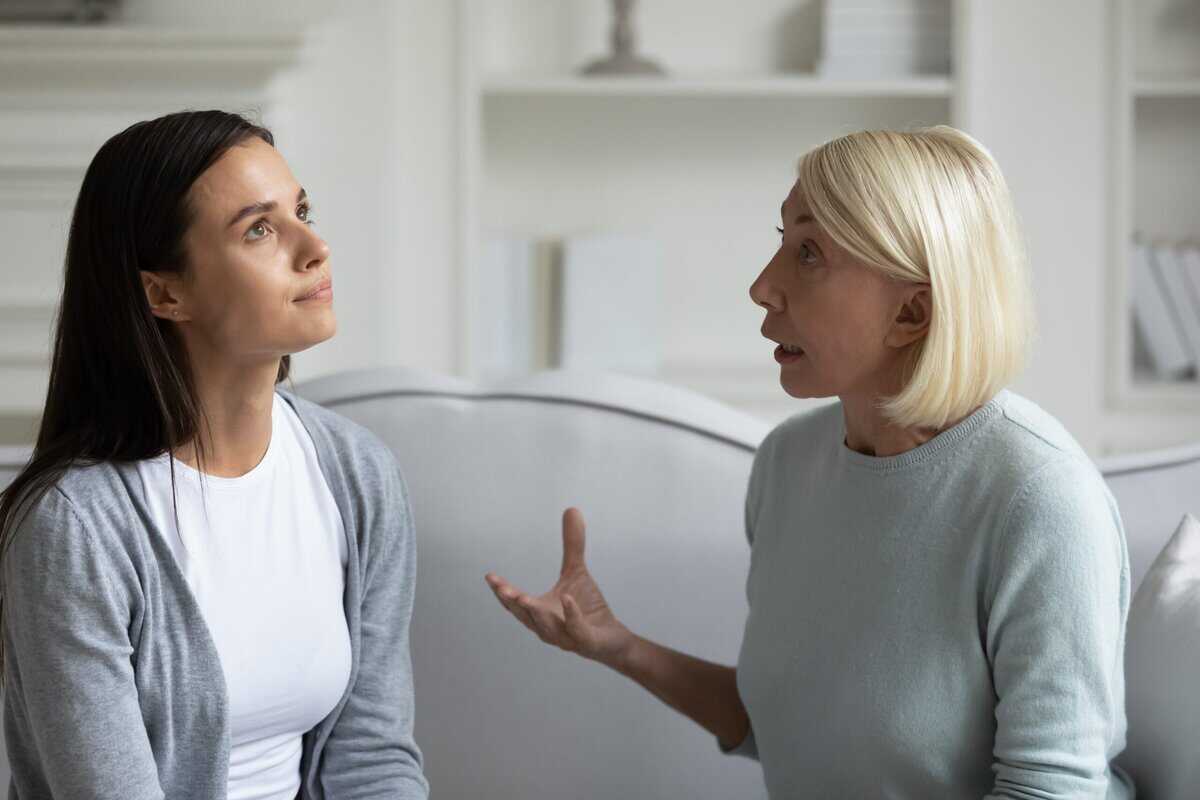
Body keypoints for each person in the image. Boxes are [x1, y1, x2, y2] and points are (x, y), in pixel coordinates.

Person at [486, 125, 1134, 798]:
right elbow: (790, 727)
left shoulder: (1042, 499)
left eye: (809, 253)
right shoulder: (786, 465)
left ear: (912, 311)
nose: (762, 287)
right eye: (783, 242)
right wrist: (616, 644)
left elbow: (1051, 789)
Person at [0, 110, 428, 800]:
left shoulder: (358, 473)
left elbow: (373, 760)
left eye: (301, 212)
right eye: (259, 229)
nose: (315, 247)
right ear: (165, 293)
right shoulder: (75, 527)